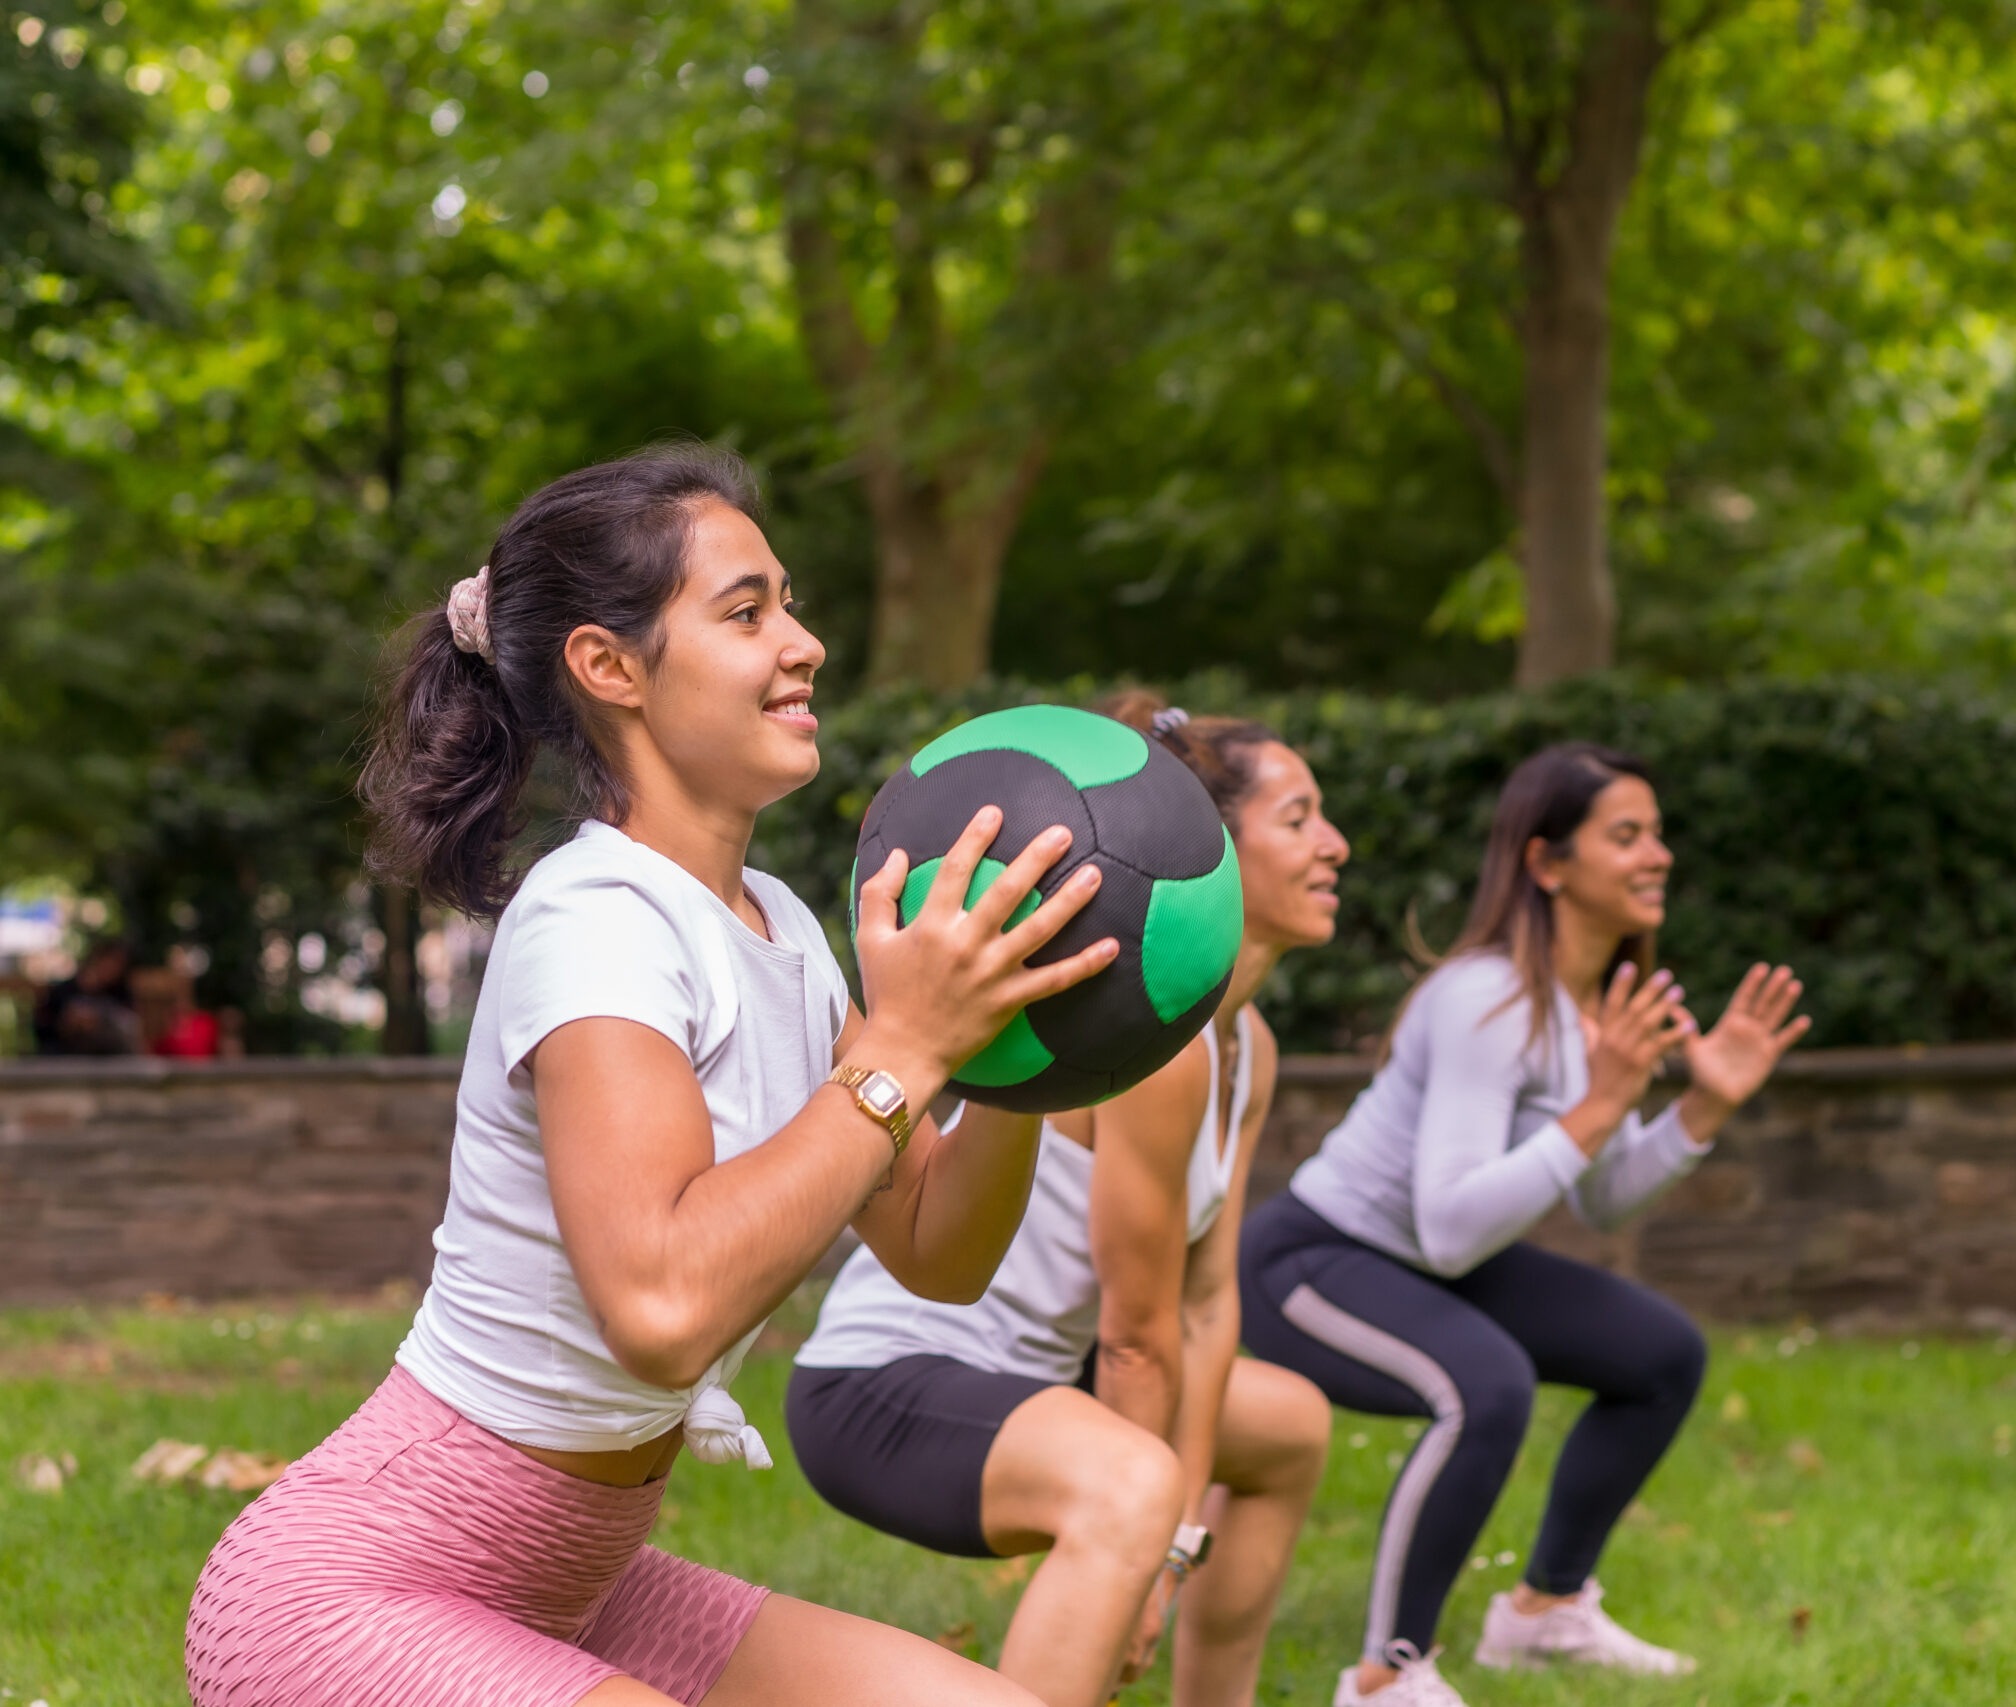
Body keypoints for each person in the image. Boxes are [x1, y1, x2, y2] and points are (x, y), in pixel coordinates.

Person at [184, 444, 1118, 1707]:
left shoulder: (783, 926)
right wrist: (902, 1052)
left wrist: (1016, 1050)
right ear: (609, 666)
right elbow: (662, 1308)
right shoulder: (595, 916)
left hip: (581, 1584)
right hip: (348, 1597)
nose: (804, 644)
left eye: (788, 602)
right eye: (747, 612)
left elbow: (938, 1251)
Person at [786, 693, 1344, 1707]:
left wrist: (1171, 1554)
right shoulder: (1153, 1062)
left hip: (1045, 1373)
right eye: (1301, 819)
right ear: (1203, 849)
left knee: (1292, 1426)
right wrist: (1151, 1551)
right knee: (1126, 1487)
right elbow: (1136, 1337)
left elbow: (1208, 1306)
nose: (1336, 845)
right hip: (887, 1382)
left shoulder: (1242, 1047)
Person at [1238, 742, 1810, 1707]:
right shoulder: (1485, 1000)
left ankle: (1543, 1615)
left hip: (1429, 1263)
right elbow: (1452, 1224)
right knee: (1485, 1383)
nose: (1657, 854)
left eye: (1658, 834)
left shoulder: (1588, 1006)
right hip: (1312, 1261)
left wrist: (1700, 1107)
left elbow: (1602, 1196)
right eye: (1626, 834)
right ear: (1547, 864)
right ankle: (1385, 1678)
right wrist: (1599, 1107)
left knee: (1660, 1353)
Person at [33, 937, 139, 1055]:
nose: (112, 969)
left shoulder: (119, 991)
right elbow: (44, 1025)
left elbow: (129, 1026)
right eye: (109, 962)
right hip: (65, 1052)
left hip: (108, 1053)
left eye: (118, 965)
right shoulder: (65, 990)